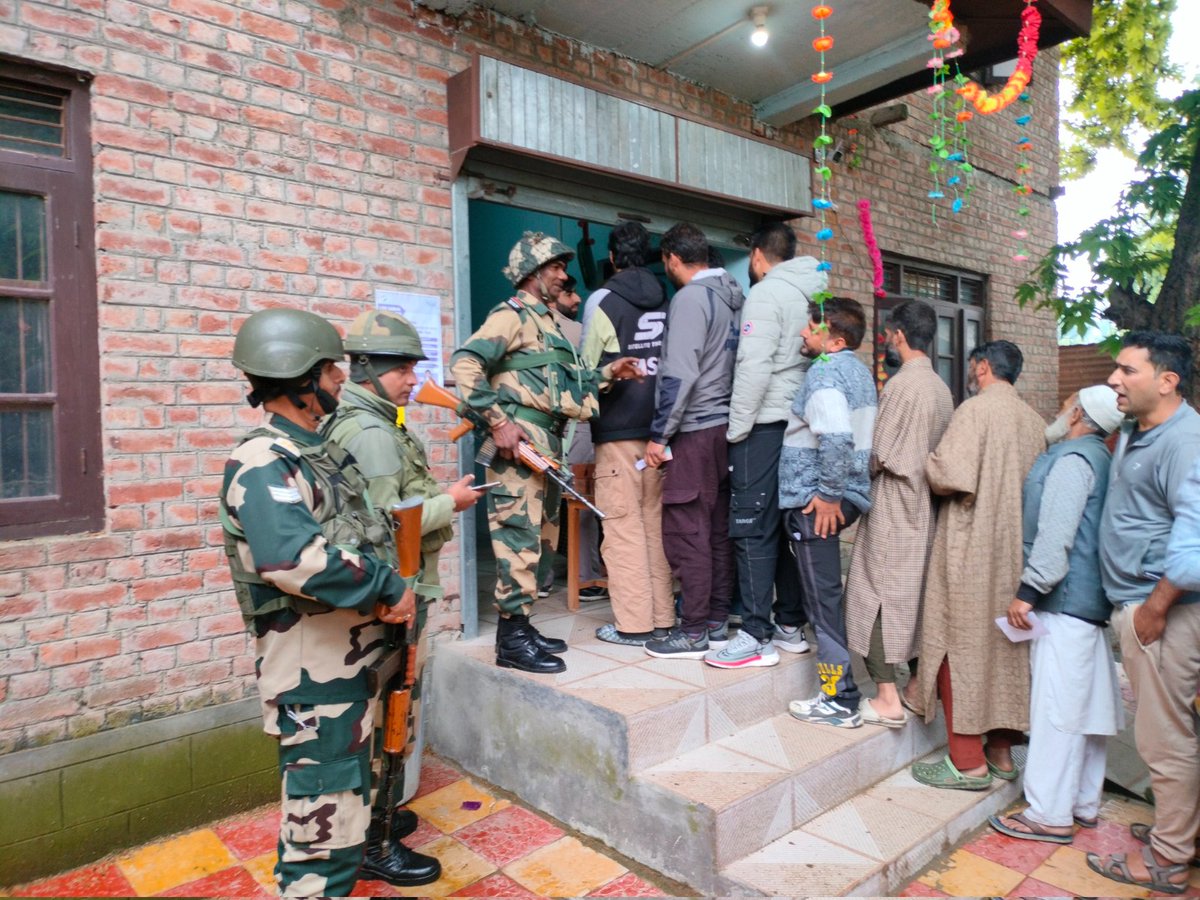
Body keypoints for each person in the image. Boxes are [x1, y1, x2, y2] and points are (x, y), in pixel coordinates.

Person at [220, 308, 439, 896]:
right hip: (315, 678)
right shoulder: (264, 460)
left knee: (342, 824)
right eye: (330, 369)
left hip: (352, 664)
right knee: (322, 849)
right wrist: (389, 589)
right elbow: (296, 558)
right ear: (298, 377)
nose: (342, 377)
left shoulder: (317, 450)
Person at [450, 232, 639, 674]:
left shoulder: (549, 324)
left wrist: (611, 371)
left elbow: (566, 388)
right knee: (517, 541)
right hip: (519, 449)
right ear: (532, 273)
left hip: (547, 448)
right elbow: (465, 363)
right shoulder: (511, 316)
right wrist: (498, 422)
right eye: (554, 267)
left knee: (539, 543)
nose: (562, 274)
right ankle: (511, 641)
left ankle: (523, 625)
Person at [323, 309, 481, 810]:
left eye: (415, 368)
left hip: (392, 588)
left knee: (390, 703)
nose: (414, 380)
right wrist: (449, 503)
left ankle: (378, 816)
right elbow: (384, 523)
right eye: (402, 370)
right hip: (395, 591)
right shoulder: (370, 433)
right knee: (390, 704)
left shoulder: (369, 420)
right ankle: (376, 826)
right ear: (366, 369)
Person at [1087, 332, 1200, 895]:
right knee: (1176, 731)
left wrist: (1154, 610)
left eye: (1127, 371)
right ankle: (1183, 833)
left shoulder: (1185, 442)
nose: (1114, 379)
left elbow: (1196, 536)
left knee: (1164, 738)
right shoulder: (1138, 429)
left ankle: (1169, 861)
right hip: (1141, 603)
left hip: (1164, 611)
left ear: (1167, 380)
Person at [987, 386, 1125, 844]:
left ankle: (1048, 813)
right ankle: (1083, 802)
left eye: (1067, 404)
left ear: (1079, 415)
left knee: (1056, 711)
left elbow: (1056, 535)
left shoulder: (1073, 461)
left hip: (1065, 604)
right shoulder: (1099, 458)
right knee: (1088, 708)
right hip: (1089, 605)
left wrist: (1028, 591)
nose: (1061, 409)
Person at [910, 340, 1046, 789]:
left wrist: (928, 459)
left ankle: (966, 762)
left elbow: (951, 473)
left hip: (971, 550)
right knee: (1006, 654)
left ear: (983, 367)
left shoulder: (974, 410)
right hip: (1016, 557)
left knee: (956, 645)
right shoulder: (1034, 422)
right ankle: (1002, 755)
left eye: (973, 366)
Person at [706, 222, 824, 668]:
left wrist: (736, 430)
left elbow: (752, 367)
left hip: (765, 423)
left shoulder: (766, 293)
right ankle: (789, 624)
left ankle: (756, 636)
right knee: (788, 524)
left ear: (757, 256)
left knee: (752, 526)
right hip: (802, 423)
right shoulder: (817, 289)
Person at [844, 300, 953, 723]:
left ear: (900, 336)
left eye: (888, 335)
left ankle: (887, 697)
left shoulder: (902, 385)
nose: (886, 342)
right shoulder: (940, 388)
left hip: (894, 503)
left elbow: (878, 452)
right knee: (913, 600)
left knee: (873, 596)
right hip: (925, 507)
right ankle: (913, 687)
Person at [641, 223, 744, 659]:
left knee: (686, 531)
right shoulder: (733, 297)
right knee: (718, 532)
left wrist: (659, 434)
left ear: (672, 259)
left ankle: (695, 629)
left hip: (695, 430)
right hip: (727, 430)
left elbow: (679, 373)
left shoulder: (689, 299)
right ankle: (717, 620)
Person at [780, 298, 877, 727]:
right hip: (847, 494)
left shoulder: (825, 372)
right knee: (825, 599)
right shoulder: (859, 370)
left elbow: (836, 438)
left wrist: (828, 494)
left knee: (822, 604)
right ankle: (839, 692)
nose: (805, 332)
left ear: (835, 339)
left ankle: (839, 698)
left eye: (812, 326)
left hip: (820, 503)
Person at [580, 221, 675, 645]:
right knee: (653, 525)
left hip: (617, 430)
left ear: (613, 256)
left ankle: (633, 625)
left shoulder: (602, 300)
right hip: (659, 432)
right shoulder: (666, 299)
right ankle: (663, 617)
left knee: (621, 528)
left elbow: (586, 372)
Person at [537, 274, 606, 602]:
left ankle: (541, 575)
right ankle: (587, 576)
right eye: (569, 292)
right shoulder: (576, 332)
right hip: (574, 427)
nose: (576, 299)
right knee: (582, 504)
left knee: (542, 503)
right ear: (551, 297)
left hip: (541, 430)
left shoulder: (529, 328)